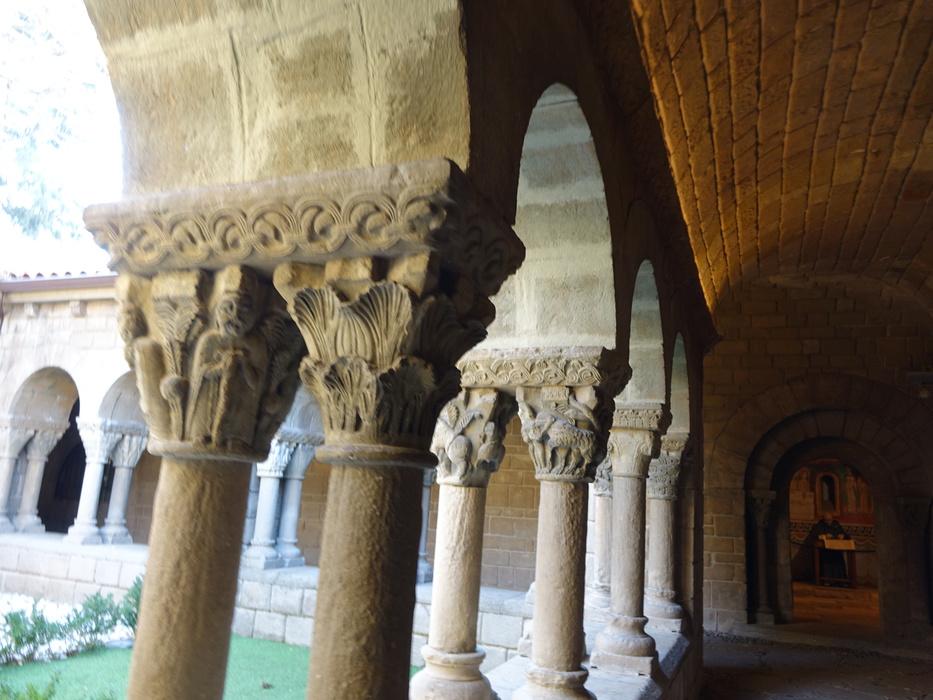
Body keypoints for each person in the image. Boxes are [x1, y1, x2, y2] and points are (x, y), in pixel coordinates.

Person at [809, 512, 849, 585]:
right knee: (826, 561)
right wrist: (824, 536)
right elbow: (814, 535)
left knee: (839, 561)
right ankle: (826, 580)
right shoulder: (819, 526)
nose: (828, 522)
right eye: (826, 520)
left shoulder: (836, 526)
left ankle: (841, 581)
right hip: (825, 551)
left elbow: (846, 535)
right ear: (823, 520)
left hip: (836, 551)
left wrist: (842, 536)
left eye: (830, 520)